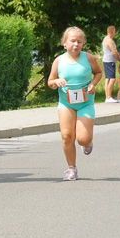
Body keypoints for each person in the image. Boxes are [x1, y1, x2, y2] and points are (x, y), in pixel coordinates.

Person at [46, 27, 102, 181]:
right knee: (66, 136)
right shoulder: (59, 61)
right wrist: (56, 81)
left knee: (82, 139)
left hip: (85, 103)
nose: (76, 44)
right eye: (72, 41)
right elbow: (50, 82)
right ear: (64, 43)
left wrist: (93, 84)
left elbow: (98, 72)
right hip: (66, 103)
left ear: (83, 43)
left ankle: (87, 142)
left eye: (79, 41)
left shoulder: (88, 58)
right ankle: (72, 168)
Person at [101, 26, 120, 103]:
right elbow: (114, 52)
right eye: (114, 31)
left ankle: (107, 96)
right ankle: (108, 97)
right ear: (112, 32)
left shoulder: (105, 39)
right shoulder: (109, 40)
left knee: (108, 79)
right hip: (109, 61)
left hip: (106, 60)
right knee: (112, 79)